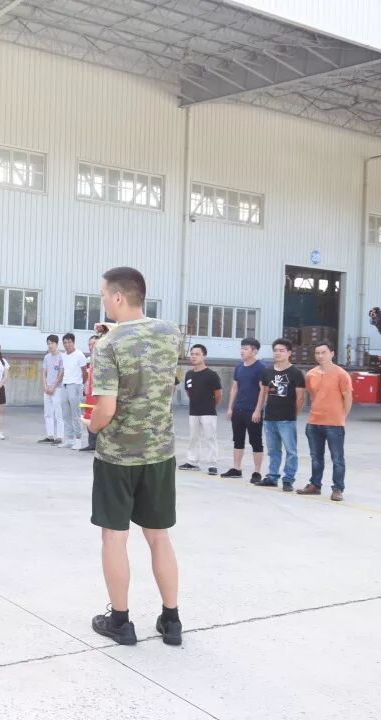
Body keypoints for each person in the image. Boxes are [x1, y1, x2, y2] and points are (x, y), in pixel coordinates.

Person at [86, 267, 183, 648]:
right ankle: (171, 620)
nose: (103, 301)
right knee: (158, 537)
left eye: (103, 295)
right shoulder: (170, 332)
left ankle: (121, 622)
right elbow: (158, 372)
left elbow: (105, 409)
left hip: (118, 457)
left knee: (114, 536)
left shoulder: (107, 345)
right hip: (159, 453)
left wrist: (92, 427)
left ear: (117, 297)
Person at [297, 341, 352, 501]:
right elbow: (313, 395)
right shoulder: (311, 375)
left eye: (324, 352)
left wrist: (342, 416)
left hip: (334, 424)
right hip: (314, 422)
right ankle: (315, 485)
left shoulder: (341, 374)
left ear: (332, 353)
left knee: (337, 458)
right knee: (316, 457)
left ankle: (338, 489)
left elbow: (348, 398)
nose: (320, 356)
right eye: (317, 353)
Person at [257, 338, 306, 491]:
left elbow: (300, 398)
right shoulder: (267, 372)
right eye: (275, 350)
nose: (278, 353)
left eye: (281, 350)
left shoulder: (296, 373)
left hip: (287, 419)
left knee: (291, 451)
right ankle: (272, 477)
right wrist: (258, 410)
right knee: (273, 451)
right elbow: (263, 393)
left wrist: (293, 415)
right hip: (270, 418)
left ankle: (288, 479)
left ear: (289, 353)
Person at [222, 338, 266, 482]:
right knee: (238, 439)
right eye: (241, 348)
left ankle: (257, 472)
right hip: (238, 410)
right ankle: (236, 469)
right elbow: (235, 387)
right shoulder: (239, 367)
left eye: (246, 349)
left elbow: (263, 390)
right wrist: (230, 408)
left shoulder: (261, 368)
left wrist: (258, 410)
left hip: (252, 410)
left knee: (256, 441)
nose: (242, 351)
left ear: (254, 351)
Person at [178, 344, 222, 475]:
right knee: (193, 437)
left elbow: (218, 395)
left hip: (208, 412)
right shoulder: (189, 374)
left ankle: (212, 464)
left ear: (204, 356)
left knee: (210, 438)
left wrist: (211, 406)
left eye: (197, 354)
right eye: (192, 354)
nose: (193, 356)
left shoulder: (211, 375)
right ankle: (192, 462)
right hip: (193, 411)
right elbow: (188, 392)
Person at [59, 333, 89, 450]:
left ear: (73, 342)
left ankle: (78, 440)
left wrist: (81, 384)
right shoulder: (63, 356)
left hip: (75, 385)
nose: (67, 345)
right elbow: (63, 371)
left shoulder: (79, 355)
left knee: (75, 413)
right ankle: (69, 439)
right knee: (65, 414)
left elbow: (85, 372)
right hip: (65, 385)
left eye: (69, 342)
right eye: (65, 342)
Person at [39, 334, 64, 445]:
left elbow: (61, 373)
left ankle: (59, 437)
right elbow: (44, 372)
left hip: (57, 388)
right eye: (48, 343)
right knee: (48, 413)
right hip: (47, 388)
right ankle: (50, 436)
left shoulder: (61, 356)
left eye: (52, 343)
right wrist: (45, 386)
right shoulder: (47, 357)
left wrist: (53, 386)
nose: (50, 345)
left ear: (57, 344)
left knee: (58, 413)